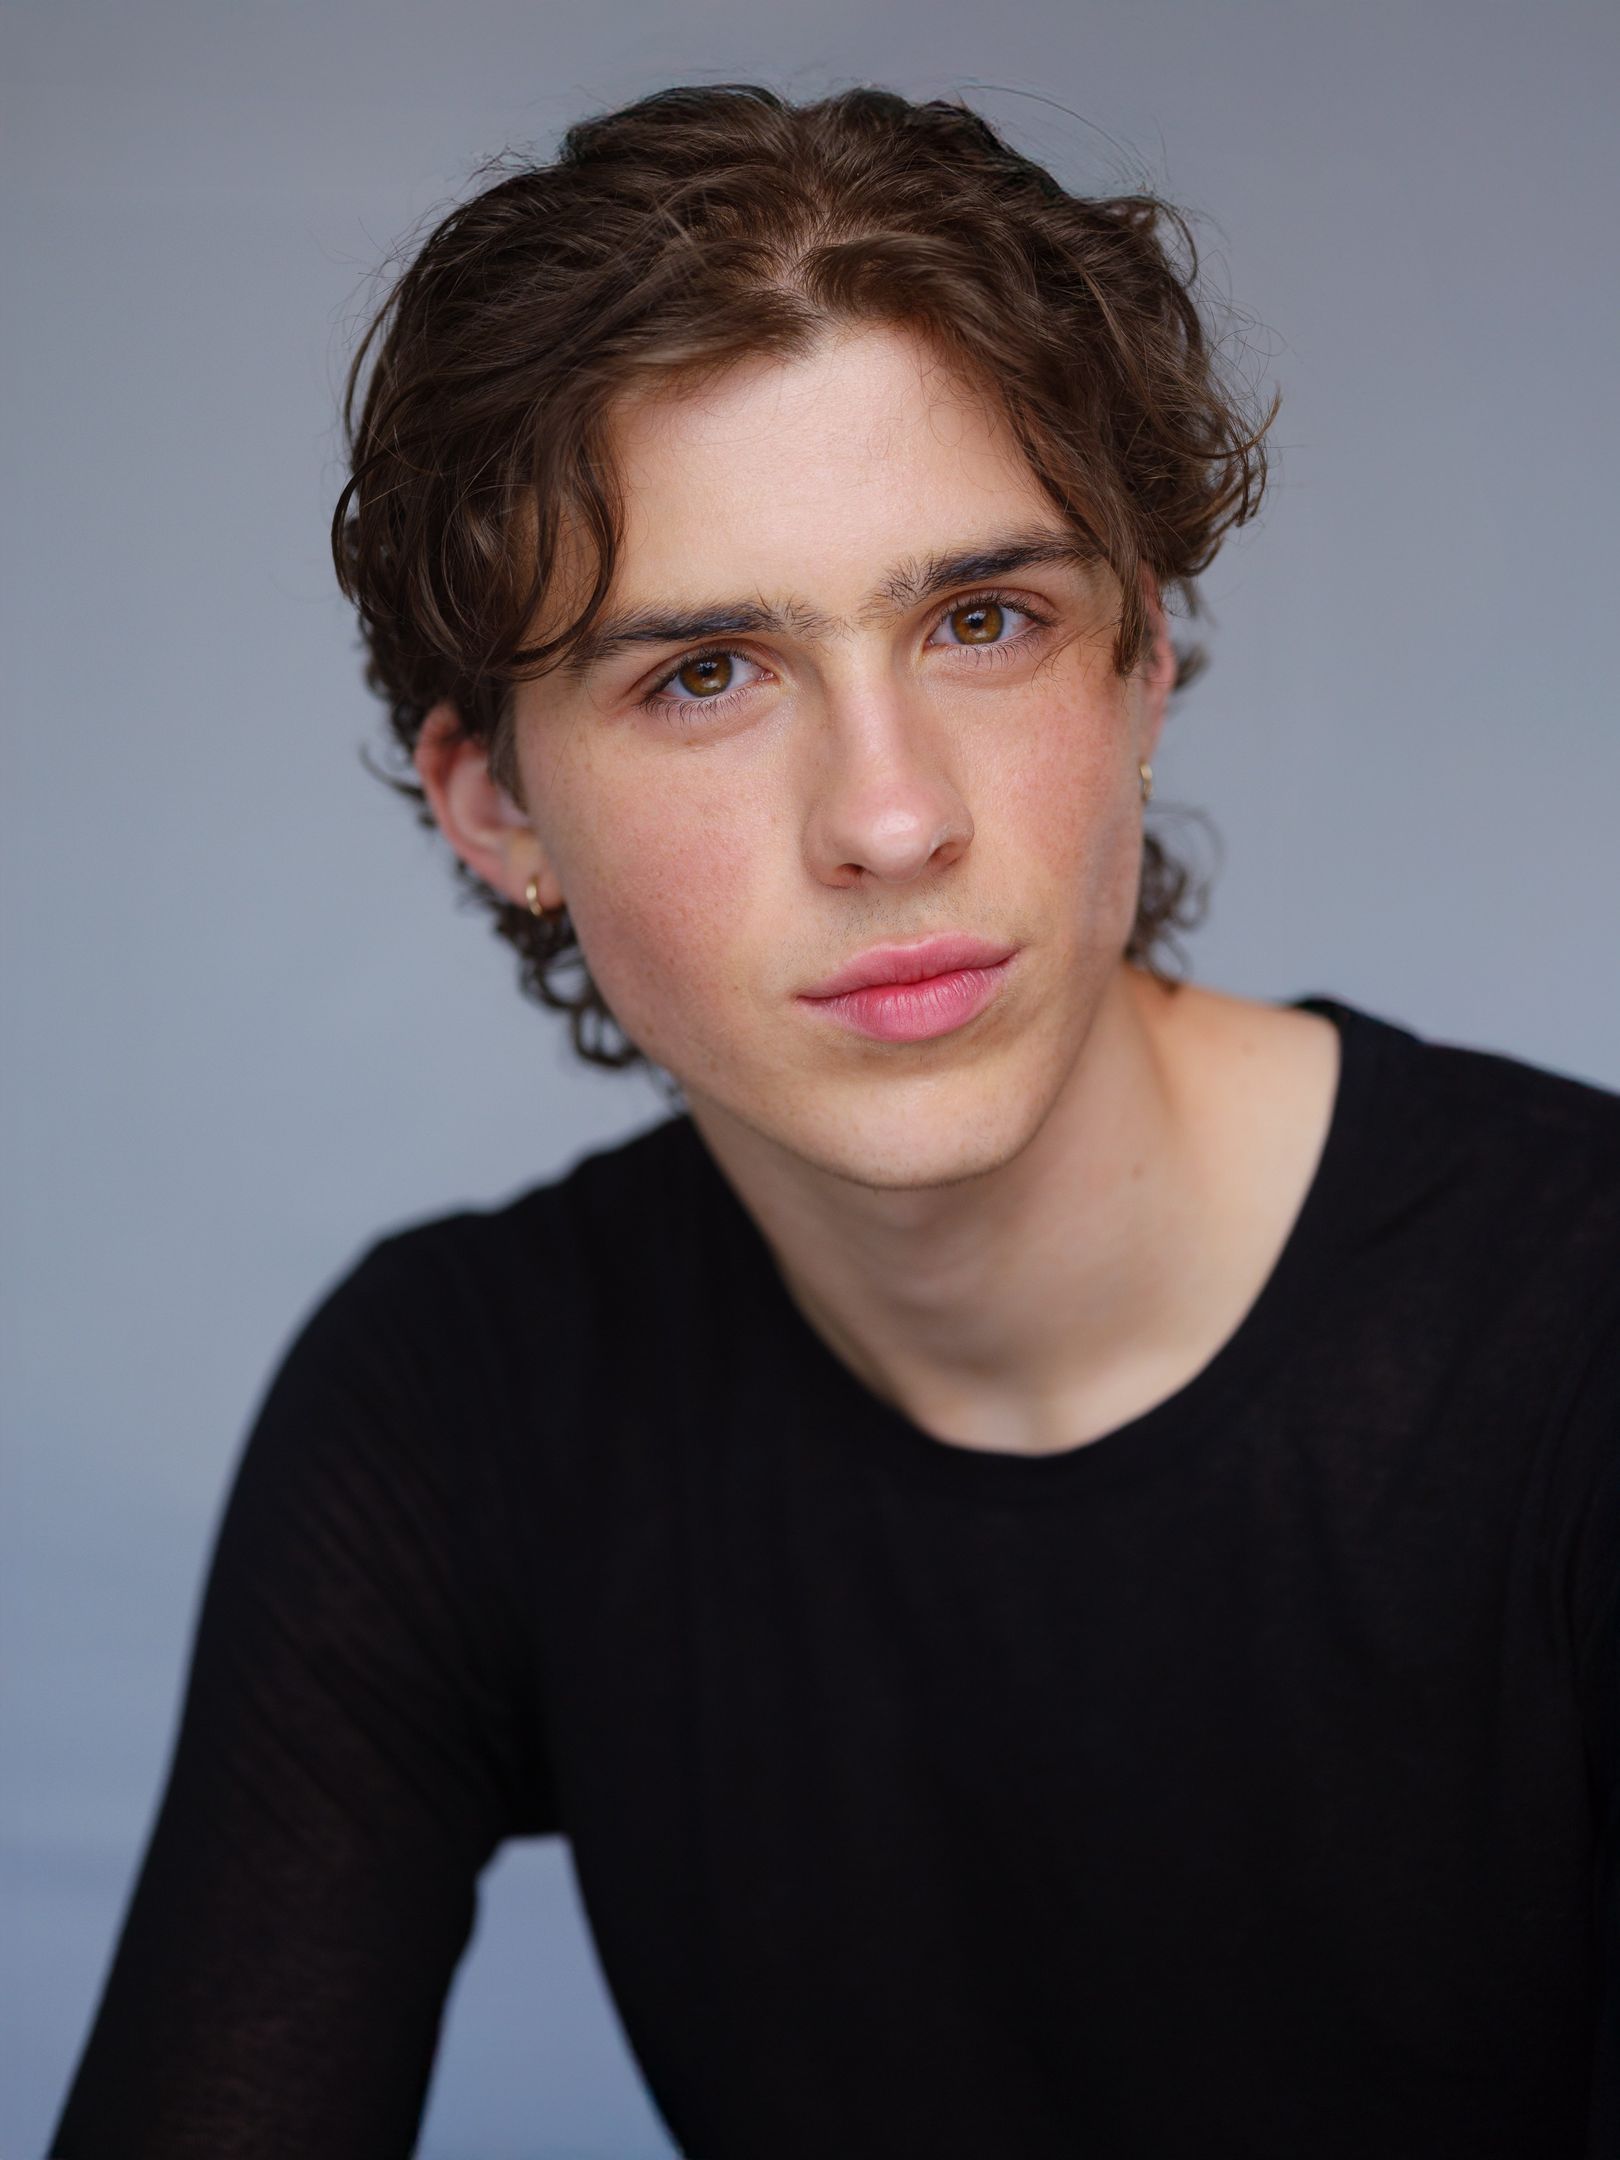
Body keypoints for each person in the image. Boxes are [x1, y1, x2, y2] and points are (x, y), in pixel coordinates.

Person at [50, 80, 1618, 2160]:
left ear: (1144, 667)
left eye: (984, 622)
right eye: (707, 672)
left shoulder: (1579, 1341)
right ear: (496, 810)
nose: (889, 817)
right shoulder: (460, 1409)